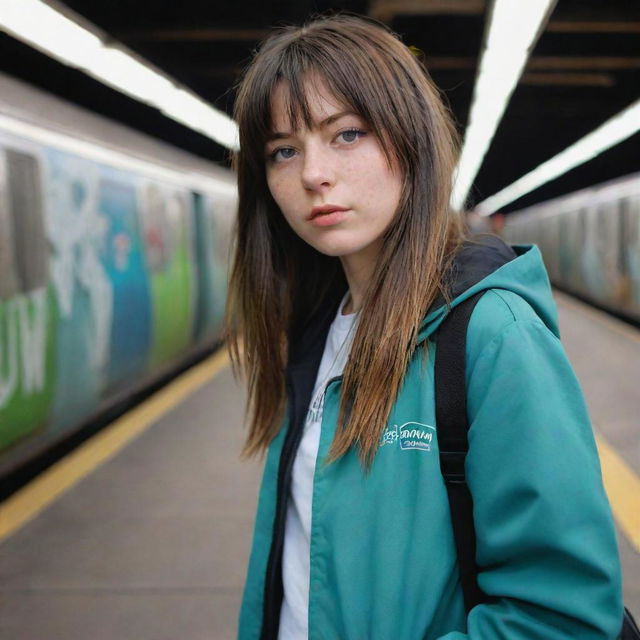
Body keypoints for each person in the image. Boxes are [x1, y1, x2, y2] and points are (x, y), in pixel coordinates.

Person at [225, 13, 623, 640]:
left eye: (348, 134)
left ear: (412, 141)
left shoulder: (493, 332)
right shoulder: (310, 334)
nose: (313, 174)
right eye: (283, 150)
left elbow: (561, 618)